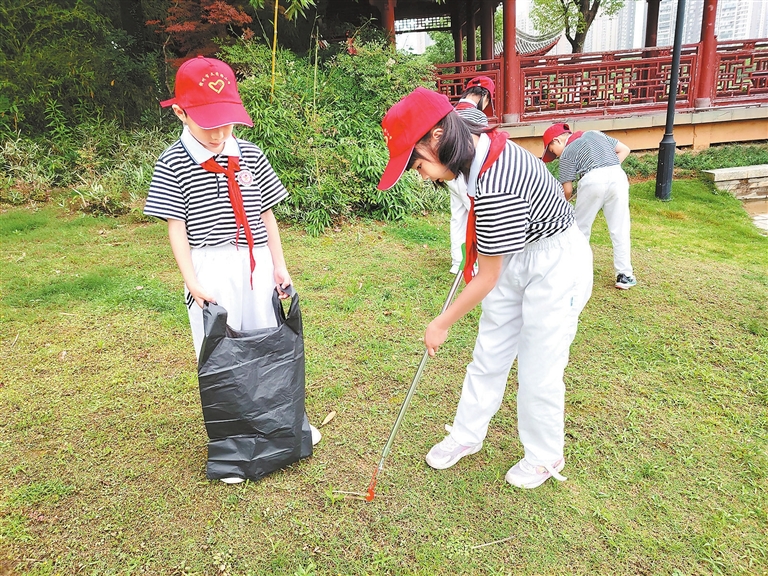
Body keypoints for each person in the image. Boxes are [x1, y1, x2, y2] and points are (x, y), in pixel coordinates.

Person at [378, 88, 593, 489]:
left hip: (555, 260)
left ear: (437, 137)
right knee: (490, 350)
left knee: (539, 366)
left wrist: (441, 323)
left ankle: (545, 455)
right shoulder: (466, 138)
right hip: (517, 251)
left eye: (417, 163)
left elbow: (487, 276)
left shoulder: (497, 182)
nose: (420, 174)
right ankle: (466, 434)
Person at [144, 56, 320, 471]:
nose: (221, 134)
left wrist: (280, 265)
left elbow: (266, 214)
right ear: (180, 113)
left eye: (227, 123)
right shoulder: (172, 161)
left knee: (267, 341)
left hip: (256, 260)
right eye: (210, 124)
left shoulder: (251, 154)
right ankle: (235, 443)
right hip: (210, 267)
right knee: (223, 352)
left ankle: (287, 425)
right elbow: (176, 228)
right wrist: (191, 281)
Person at [542, 123, 637, 289]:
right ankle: (624, 275)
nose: (555, 155)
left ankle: (577, 274)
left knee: (580, 229)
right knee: (620, 227)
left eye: (552, 151)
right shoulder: (596, 133)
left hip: (592, 180)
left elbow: (567, 190)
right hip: (617, 176)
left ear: (557, 140)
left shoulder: (567, 152)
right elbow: (624, 150)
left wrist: (561, 204)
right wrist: (607, 169)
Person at [448, 76, 493, 274]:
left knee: (458, 216)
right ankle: (475, 261)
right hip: (468, 173)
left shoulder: (451, 112)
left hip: (450, 172)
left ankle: (457, 262)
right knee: (477, 217)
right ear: (484, 96)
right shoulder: (478, 116)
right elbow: (481, 149)